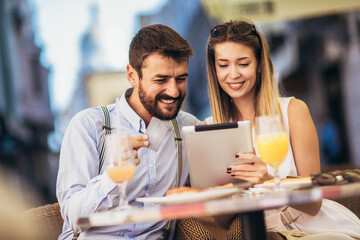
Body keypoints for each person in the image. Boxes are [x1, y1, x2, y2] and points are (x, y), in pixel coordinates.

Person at [205, 19, 360, 239]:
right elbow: (222, 221)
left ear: (259, 65)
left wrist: (267, 180)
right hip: (261, 232)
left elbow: (313, 203)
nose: (233, 74)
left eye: (243, 63)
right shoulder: (209, 129)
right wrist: (221, 196)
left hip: (315, 227)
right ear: (214, 69)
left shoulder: (293, 111)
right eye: (223, 65)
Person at [56, 24, 200, 239]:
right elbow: (73, 217)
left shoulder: (189, 129)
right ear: (132, 76)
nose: (173, 91)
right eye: (161, 80)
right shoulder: (88, 125)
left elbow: (219, 184)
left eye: (181, 79)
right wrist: (114, 175)